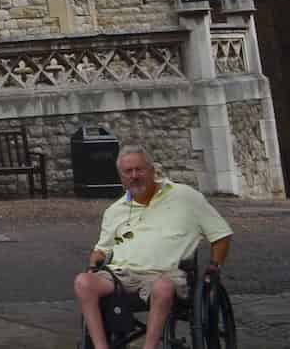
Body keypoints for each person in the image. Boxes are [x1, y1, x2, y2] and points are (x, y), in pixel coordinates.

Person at [75, 147, 233, 349]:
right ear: (121, 177)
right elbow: (101, 250)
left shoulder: (185, 197)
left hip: (165, 275)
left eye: (139, 169)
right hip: (121, 275)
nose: (134, 176)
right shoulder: (114, 211)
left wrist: (214, 267)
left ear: (152, 170)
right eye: (128, 172)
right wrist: (93, 264)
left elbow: (221, 234)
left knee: (163, 287)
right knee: (83, 282)